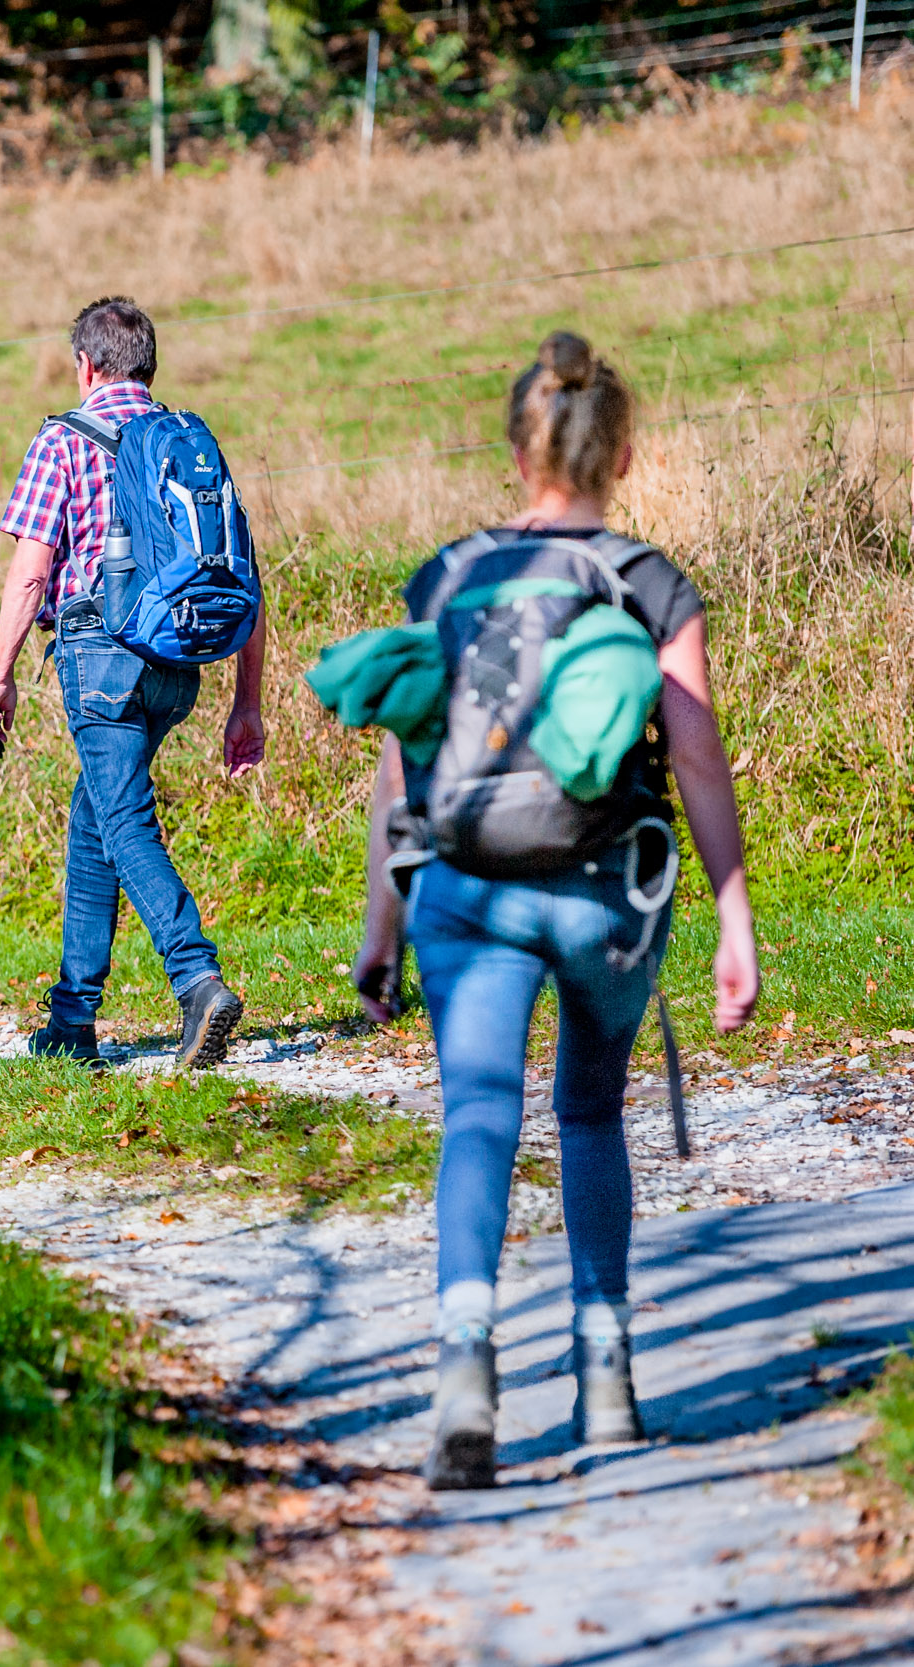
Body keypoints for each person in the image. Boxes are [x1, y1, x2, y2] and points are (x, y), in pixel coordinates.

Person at [349, 331, 760, 1491]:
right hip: (601, 895)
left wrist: (378, 930)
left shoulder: (447, 577)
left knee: (476, 1113)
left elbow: (401, 768)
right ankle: (607, 1379)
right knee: (587, 1117)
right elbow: (695, 757)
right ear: (619, 452)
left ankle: (467, 1375)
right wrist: (732, 913)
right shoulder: (649, 581)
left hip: (467, 890)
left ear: (516, 447)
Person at [0, 296, 268, 1069]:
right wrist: (247, 704)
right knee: (94, 817)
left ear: (85, 364)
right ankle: (72, 1020)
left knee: (124, 819)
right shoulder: (188, 442)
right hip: (179, 667)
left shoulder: (63, 440)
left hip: (101, 663)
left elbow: (32, 572)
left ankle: (195, 976)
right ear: (148, 367)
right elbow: (245, 576)